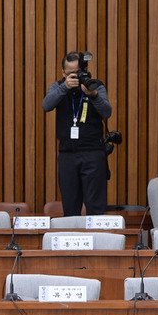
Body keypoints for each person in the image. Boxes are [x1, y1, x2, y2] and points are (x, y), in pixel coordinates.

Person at [41, 51, 113, 216]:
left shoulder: (96, 86)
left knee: (95, 207)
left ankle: (98, 240)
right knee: (70, 206)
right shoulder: (58, 87)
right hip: (68, 155)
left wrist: (93, 95)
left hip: (93, 153)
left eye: (78, 73)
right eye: (70, 74)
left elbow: (107, 112)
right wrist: (64, 87)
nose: (75, 77)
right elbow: (46, 105)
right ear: (63, 73)